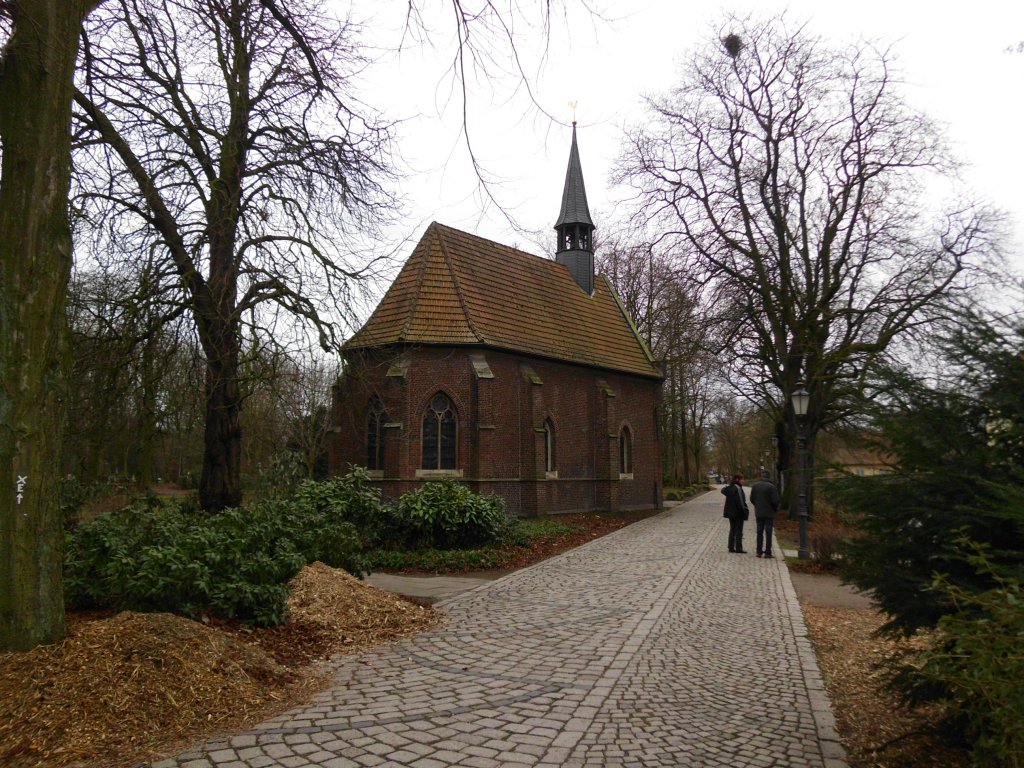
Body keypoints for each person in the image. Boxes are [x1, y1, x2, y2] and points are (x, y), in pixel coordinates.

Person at [749, 470, 780, 558]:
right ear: (768, 477)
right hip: (769, 513)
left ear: (761, 476)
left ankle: (759, 551)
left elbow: (752, 499)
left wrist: (758, 505)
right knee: (768, 532)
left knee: (759, 532)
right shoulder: (772, 487)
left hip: (759, 512)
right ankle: (768, 552)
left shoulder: (755, 486)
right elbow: (775, 500)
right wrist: (774, 508)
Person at [721, 474, 749, 553]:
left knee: (732, 529)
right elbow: (740, 502)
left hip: (730, 512)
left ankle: (731, 547)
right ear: (737, 479)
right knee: (739, 530)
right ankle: (738, 548)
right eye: (742, 479)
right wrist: (744, 511)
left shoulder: (730, 488)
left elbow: (723, 490)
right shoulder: (738, 489)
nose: (743, 481)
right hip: (738, 512)